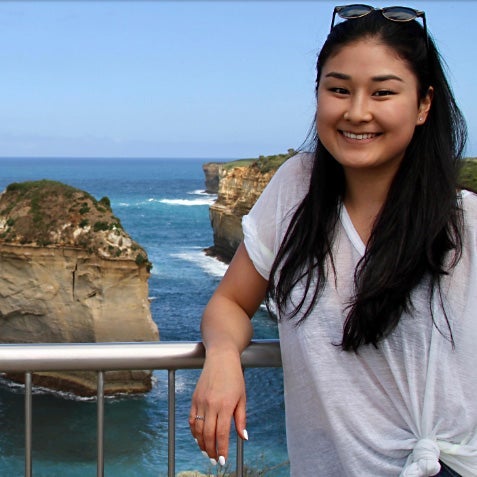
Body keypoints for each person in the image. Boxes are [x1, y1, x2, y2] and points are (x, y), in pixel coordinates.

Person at [189, 4, 477, 476]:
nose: (357, 112)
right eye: (339, 89)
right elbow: (232, 302)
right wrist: (222, 358)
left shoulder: (465, 223)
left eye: (383, 92)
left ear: (424, 104)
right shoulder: (296, 189)